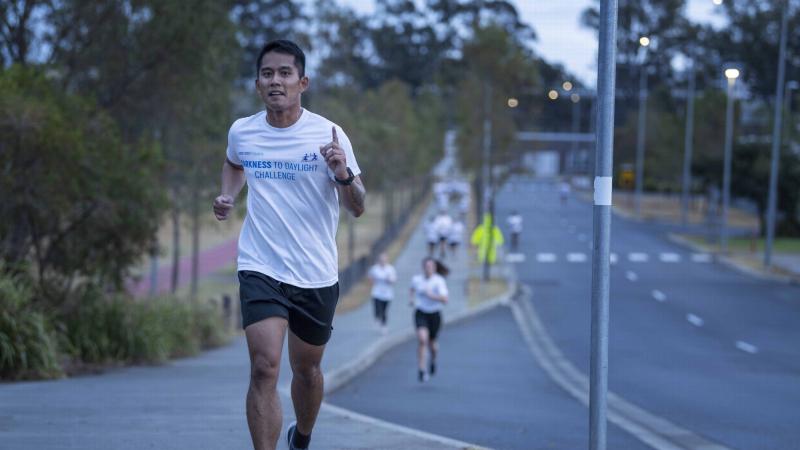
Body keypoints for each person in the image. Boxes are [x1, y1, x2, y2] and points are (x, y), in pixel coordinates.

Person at [212, 40, 366, 450]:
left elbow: (358, 207)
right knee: (264, 368)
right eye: (267, 74)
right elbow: (233, 162)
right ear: (258, 83)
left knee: (307, 370)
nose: (275, 81)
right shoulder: (243, 131)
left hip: (315, 272)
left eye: (284, 73)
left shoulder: (328, 134)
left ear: (303, 82)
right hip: (260, 265)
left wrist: (343, 174)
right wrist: (228, 195)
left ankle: (302, 437)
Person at [409, 257, 449, 383]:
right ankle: (421, 370)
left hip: (434, 314)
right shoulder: (417, 280)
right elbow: (411, 289)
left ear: (435, 268)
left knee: (433, 345)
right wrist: (411, 299)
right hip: (421, 312)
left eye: (431, 267)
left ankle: (433, 359)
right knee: (422, 340)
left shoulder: (439, 281)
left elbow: (445, 299)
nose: (429, 269)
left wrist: (432, 295)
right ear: (423, 268)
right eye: (426, 267)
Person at [367, 253, 397, 334]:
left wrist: (389, 280)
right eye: (381, 260)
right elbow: (370, 277)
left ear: (387, 260)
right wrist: (372, 281)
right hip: (376, 292)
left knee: (384, 311)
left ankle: (384, 325)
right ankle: (377, 318)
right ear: (379, 260)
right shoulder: (375, 268)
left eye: (384, 260)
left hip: (387, 294)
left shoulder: (390, 269)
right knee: (377, 308)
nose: (382, 261)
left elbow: (393, 280)